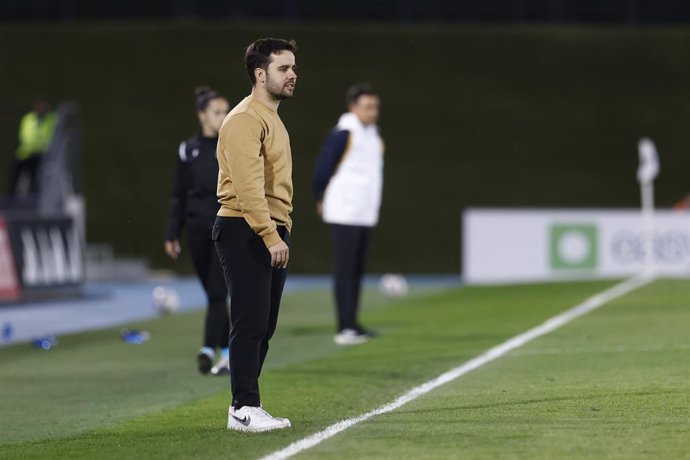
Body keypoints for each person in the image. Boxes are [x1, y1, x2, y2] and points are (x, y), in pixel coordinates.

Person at [213, 38, 297, 432]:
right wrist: (269, 233)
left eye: (294, 68)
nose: (292, 74)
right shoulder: (246, 118)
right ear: (259, 74)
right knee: (249, 322)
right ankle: (243, 407)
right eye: (283, 68)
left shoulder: (271, 116)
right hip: (244, 228)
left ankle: (247, 404)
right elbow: (247, 189)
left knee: (264, 325)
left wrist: (281, 228)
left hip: (266, 228)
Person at [165, 87, 231, 376]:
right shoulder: (187, 149)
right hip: (196, 231)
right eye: (218, 112)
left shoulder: (231, 145)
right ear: (202, 115)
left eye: (226, 111)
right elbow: (178, 194)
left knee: (218, 292)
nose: (224, 117)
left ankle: (207, 348)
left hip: (226, 229)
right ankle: (228, 351)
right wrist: (172, 233)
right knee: (213, 295)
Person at [313, 84, 384, 346]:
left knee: (357, 271)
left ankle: (353, 323)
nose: (372, 112)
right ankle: (344, 327)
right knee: (345, 270)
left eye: (375, 107)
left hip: (364, 212)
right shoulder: (344, 134)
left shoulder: (373, 135)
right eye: (367, 107)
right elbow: (322, 167)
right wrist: (320, 196)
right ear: (352, 107)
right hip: (344, 210)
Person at [8, 98, 58, 197]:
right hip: (24, 153)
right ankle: (10, 199)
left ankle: (33, 199)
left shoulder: (52, 119)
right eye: (39, 106)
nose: (41, 109)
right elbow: (22, 135)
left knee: (35, 179)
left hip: (40, 154)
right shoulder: (28, 118)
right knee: (15, 178)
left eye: (43, 107)